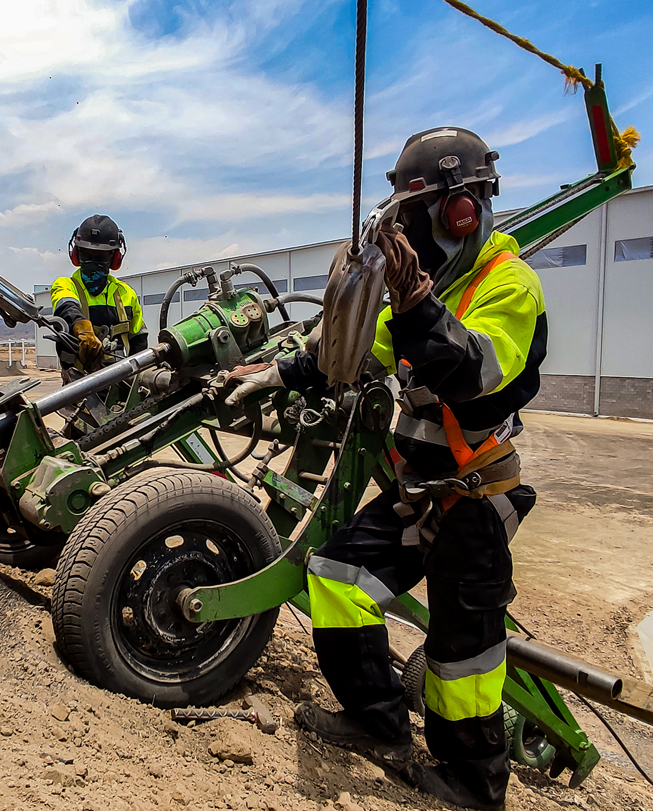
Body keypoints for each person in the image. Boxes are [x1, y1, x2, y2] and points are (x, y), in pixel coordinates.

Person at [226, 128, 547, 811]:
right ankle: (379, 725)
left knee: (464, 652)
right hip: (417, 498)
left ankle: (473, 781)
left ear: (460, 211)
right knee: (334, 576)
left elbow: (472, 376)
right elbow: (354, 353)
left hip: (475, 501)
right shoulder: (418, 297)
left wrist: (417, 303)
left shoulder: (508, 286)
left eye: (415, 220)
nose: (409, 241)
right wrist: (277, 372)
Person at [50, 215, 146, 378]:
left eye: (101, 256)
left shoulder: (126, 294)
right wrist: (83, 329)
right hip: (77, 388)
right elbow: (66, 307)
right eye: (87, 255)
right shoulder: (65, 285)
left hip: (120, 383)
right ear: (76, 255)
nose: (93, 262)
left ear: (114, 258)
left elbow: (139, 341)